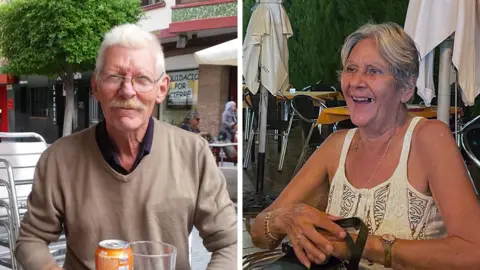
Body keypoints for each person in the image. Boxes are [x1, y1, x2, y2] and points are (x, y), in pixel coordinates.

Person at [250, 22, 480, 269]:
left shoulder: (428, 139)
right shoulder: (336, 147)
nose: (356, 81)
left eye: (373, 71)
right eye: (351, 69)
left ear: (406, 88)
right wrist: (284, 219)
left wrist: (362, 245)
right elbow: (258, 232)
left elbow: (473, 251)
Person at [14, 23, 237, 270]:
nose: (127, 90)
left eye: (142, 79)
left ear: (161, 89)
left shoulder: (193, 153)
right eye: (114, 77)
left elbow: (229, 243)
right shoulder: (59, 159)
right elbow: (31, 239)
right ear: (96, 87)